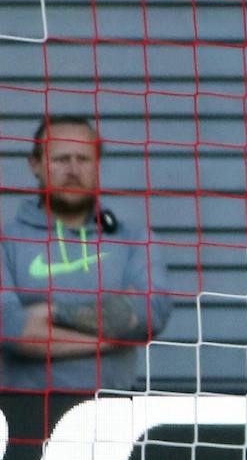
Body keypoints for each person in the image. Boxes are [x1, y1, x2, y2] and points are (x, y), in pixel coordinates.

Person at [0, 116, 173, 392]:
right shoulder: (6, 242)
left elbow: (152, 313)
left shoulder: (134, 239)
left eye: (83, 159)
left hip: (113, 414)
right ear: (35, 165)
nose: (72, 169)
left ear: (97, 166)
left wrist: (50, 313)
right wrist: (115, 331)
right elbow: (8, 328)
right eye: (60, 159)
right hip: (23, 414)